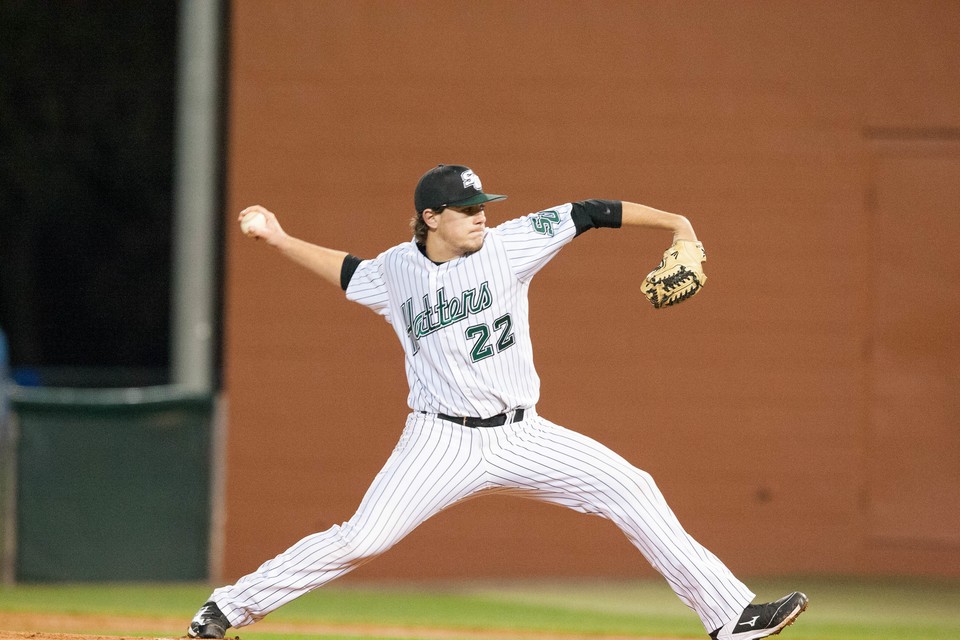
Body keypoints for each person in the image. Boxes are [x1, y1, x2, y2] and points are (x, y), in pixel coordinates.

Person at [189, 164, 807, 640]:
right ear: (431, 217)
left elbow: (590, 211)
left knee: (632, 486)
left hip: (523, 433)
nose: (481, 216)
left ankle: (730, 618)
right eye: (467, 209)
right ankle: (228, 606)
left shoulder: (511, 244)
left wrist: (679, 224)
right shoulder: (397, 271)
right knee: (362, 539)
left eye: (483, 205)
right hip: (440, 441)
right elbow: (351, 275)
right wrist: (278, 237)